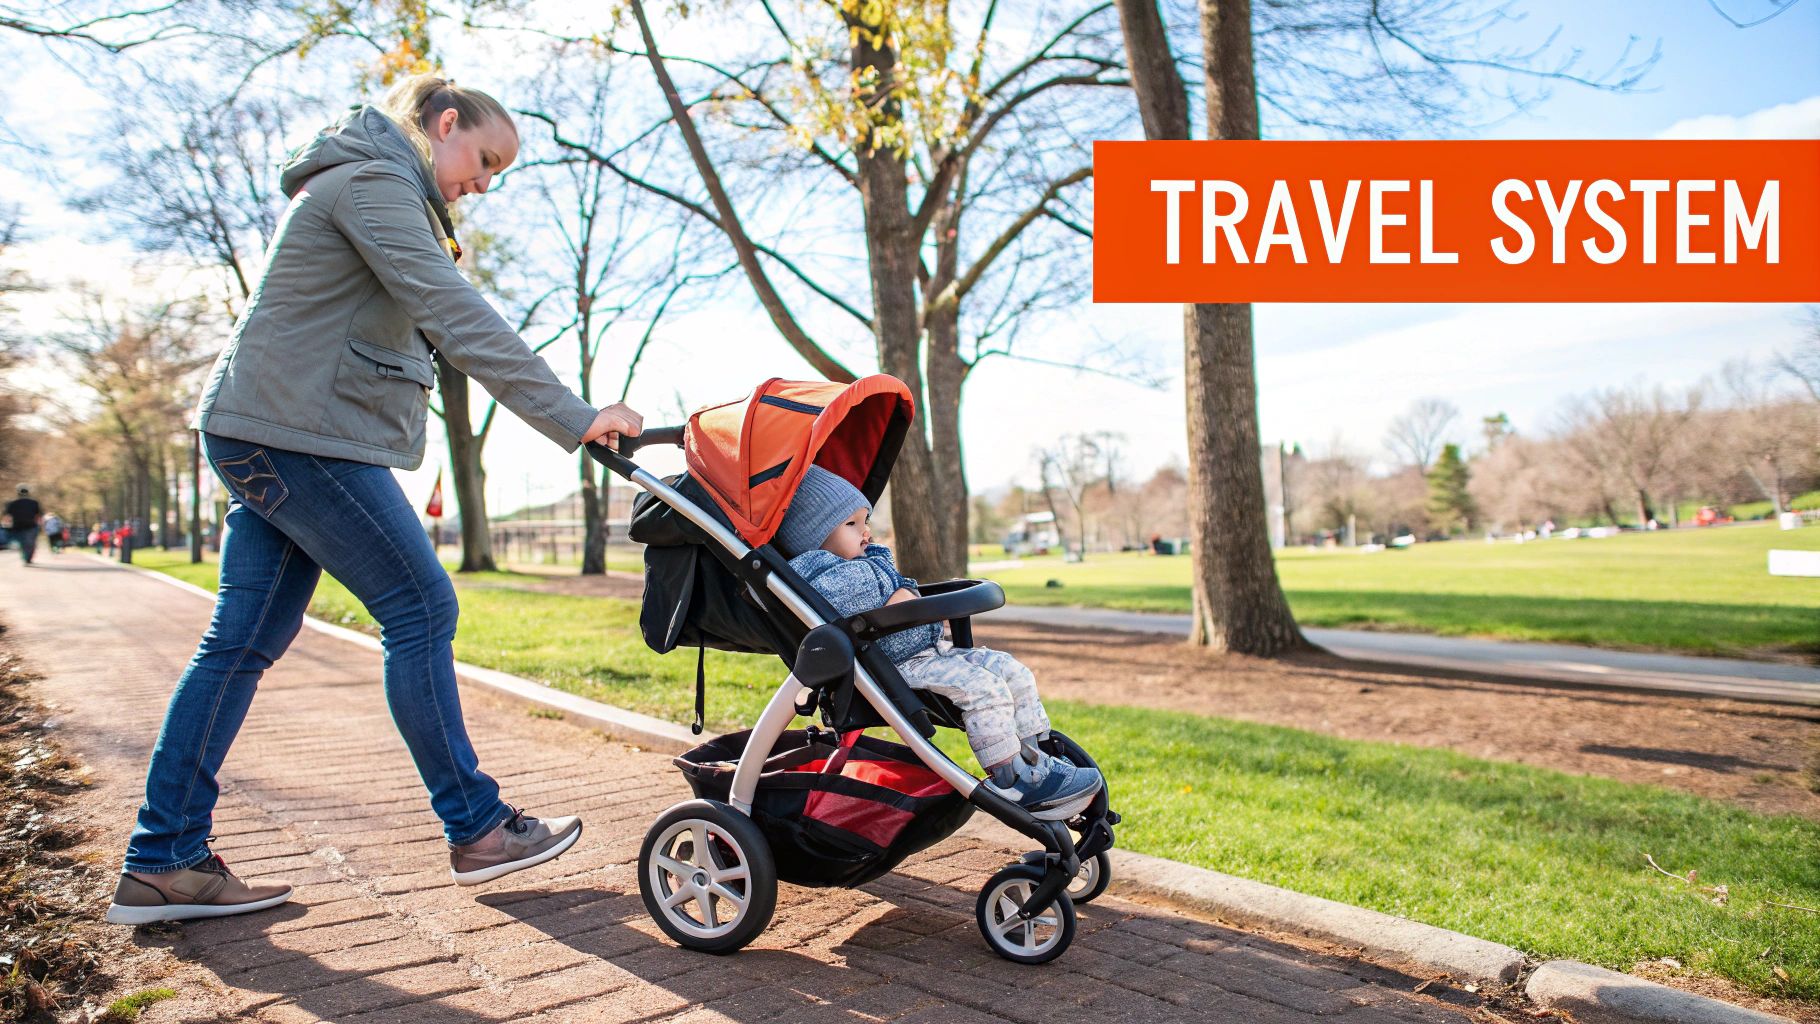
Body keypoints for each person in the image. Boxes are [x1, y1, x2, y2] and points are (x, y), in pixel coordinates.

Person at [105, 75, 643, 927]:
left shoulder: (374, 185)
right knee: (419, 607)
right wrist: (574, 417)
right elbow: (452, 312)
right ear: (444, 122)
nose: (485, 183)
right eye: (485, 160)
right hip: (295, 437)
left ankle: (164, 859)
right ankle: (477, 827)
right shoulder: (374, 182)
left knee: (239, 644)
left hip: (272, 430)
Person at [775, 467, 1103, 821]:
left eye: (865, 520)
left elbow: (900, 590)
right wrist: (904, 593)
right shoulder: (823, 574)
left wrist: (903, 591)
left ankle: (1037, 758)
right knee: (982, 687)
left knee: (1012, 670)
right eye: (851, 524)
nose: (866, 531)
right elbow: (876, 605)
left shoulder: (860, 560)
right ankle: (1011, 777)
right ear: (815, 535)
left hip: (927, 652)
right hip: (892, 665)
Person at [4, 486, 41, 566]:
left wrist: (7, 524)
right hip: (30, 526)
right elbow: (38, 515)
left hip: (18, 526)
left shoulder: (12, 503)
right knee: (29, 543)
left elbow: (8, 516)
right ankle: (27, 558)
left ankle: (26, 558)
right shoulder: (34, 503)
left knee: (23, 543)